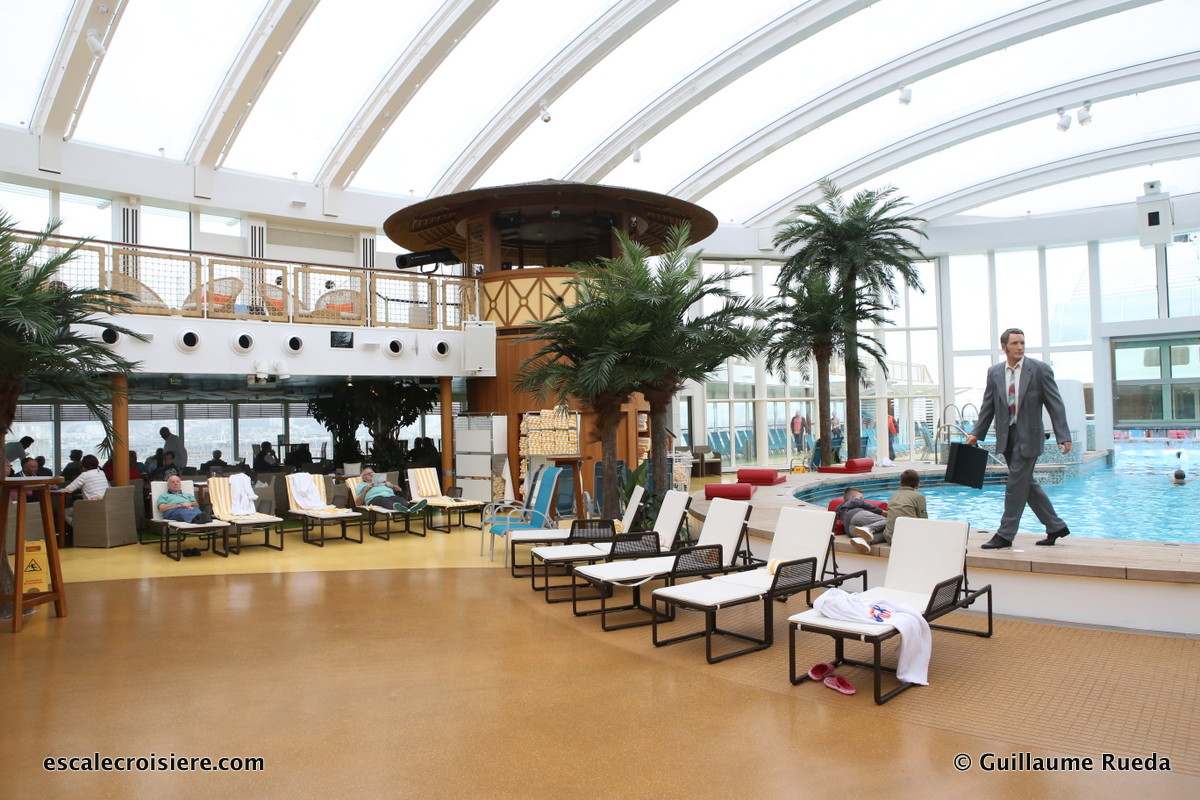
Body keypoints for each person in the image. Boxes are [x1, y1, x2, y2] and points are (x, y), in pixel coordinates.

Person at [966, 327, 1072, 549]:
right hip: (1006, 437)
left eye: (1022, 342)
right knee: (1026, 484)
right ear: (1004, 347)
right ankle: (1055, 526)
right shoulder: (994, 372)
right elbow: (988, 405)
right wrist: (976, 433)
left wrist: (1063, 435)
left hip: (1030, 437)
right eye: (1015, 343)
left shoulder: (1040, 370)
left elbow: (1055, 404)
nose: (1020, 347)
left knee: (1014, 485)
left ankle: (1005, 535)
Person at [851, 469, 928, 545]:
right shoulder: (919, 497)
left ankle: (866, 540)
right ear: (918, 485)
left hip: (889, 538)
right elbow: (923, 520)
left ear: (900, 483)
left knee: (889, 528)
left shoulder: (893, 496)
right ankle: (867, 539)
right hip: (908, 539)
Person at [835, 486, 888, 554]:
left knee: (887, 533)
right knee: (889, 522)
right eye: (860, 498)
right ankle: (868, 528)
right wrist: (881, 512)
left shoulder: (839, 508)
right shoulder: (852, 501)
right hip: (856, 515)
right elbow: (861, 503)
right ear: (852, 497)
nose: (862, 500)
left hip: (850, 530)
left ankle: (864, 541)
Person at [62, 454, 110, 525]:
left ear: (83, 466)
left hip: (91, 507)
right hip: (104, 505)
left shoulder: (85, 475)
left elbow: (68, 489)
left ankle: (78, 527)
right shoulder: (101, 473)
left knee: (63, 512)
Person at [355, 467, 427, 512]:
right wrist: (365, 490)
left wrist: (391, 485)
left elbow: (400, 490)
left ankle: (413, 506)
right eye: (368, 474)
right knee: (383, 500)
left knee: (399, 499)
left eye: (372, 472)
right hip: (374, 498)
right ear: (363, 478)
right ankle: (396, 506)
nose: (371, 474)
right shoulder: (362, 485)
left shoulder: (383, 482)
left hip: (390, 496)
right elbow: (358, 503)